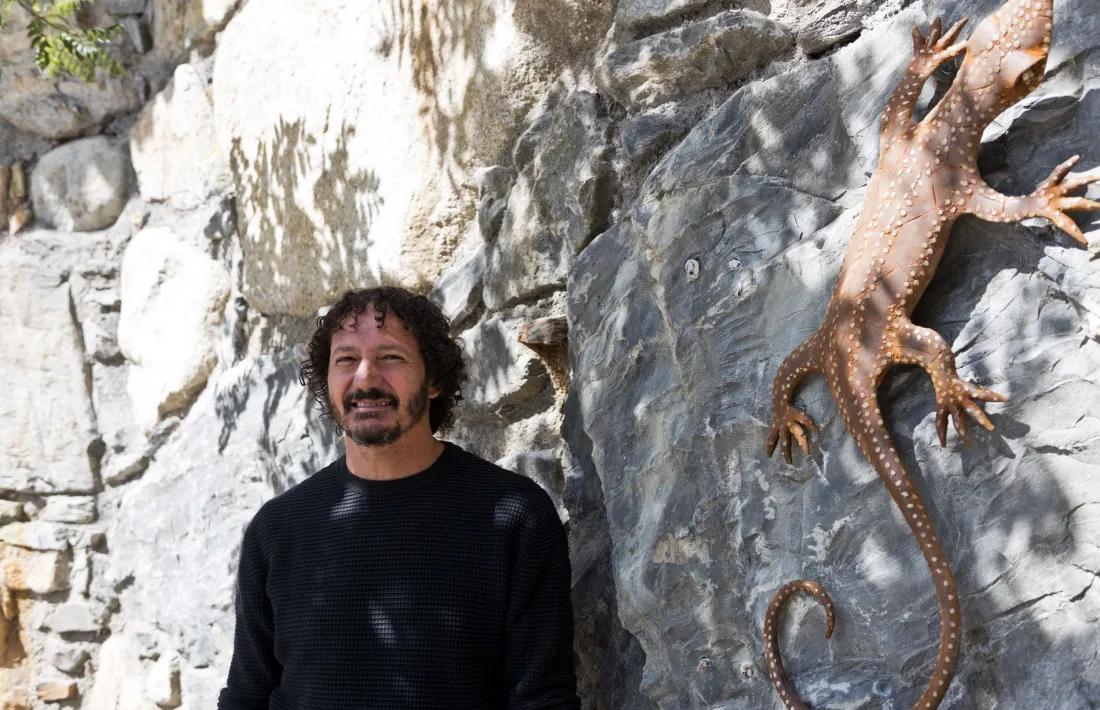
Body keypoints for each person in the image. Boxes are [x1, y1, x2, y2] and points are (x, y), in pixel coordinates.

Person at [217, 286, 580, 709]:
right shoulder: (276, 529)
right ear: (327, 381)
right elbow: (247, 695)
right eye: (346, 359)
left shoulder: (513, 516)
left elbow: (542, 699)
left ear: (434, 381)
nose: (365, 378)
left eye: (391, 357)